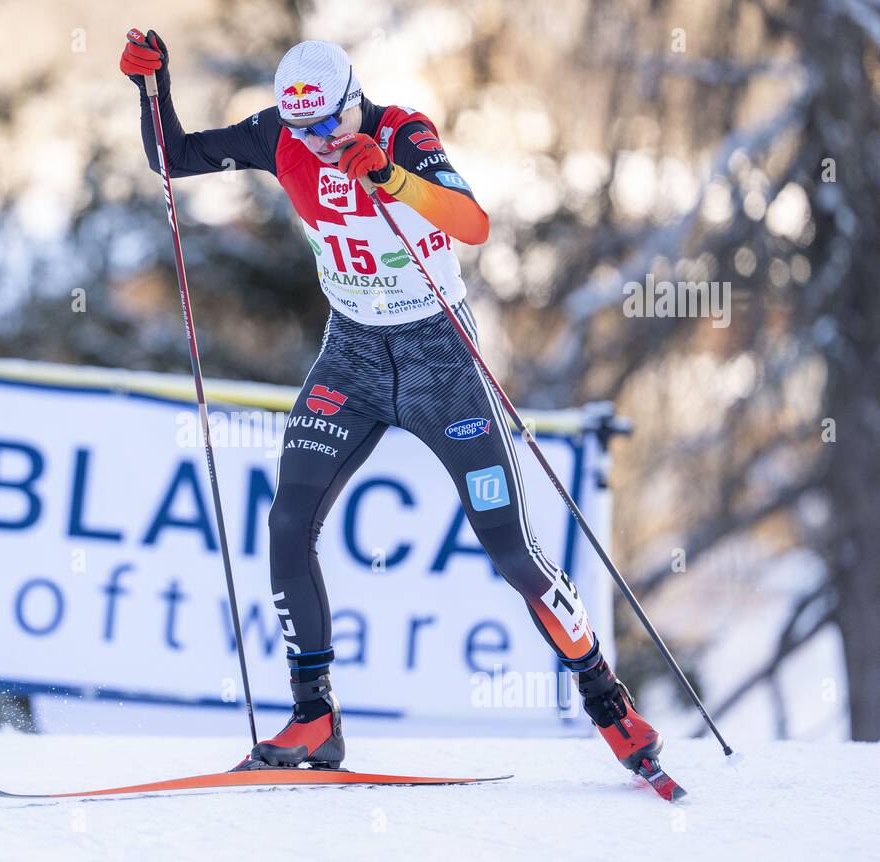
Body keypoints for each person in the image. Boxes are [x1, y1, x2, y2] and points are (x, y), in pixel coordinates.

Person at [121, 31, 662, 777]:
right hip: (353, 357)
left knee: (513, 553)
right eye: (298, 127)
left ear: (353, 100)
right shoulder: (282, 133)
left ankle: (610, 704)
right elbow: (171, 157)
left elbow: (473, 224)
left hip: (441, 361)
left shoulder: (400, 131)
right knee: (287, 522)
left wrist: (394, 179)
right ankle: (315, 720)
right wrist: (154, 88)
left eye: (325, 127)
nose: (310, 143)